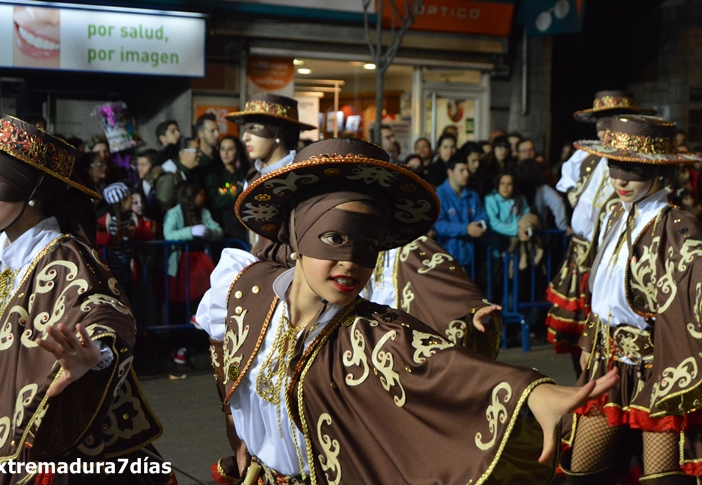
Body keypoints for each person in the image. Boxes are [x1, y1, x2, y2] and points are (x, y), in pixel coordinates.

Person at [197, 138, 618, 484]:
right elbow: (228, 366)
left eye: (367, 247)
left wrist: (533, 391)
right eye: (334, 238)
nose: (351, 263)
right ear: (298, 232)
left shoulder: (368, 334)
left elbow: (442, 367)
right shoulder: (244, 289)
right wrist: (246, 449)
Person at [0, 115, 171, 482]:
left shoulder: (64, 256)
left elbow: (103, 310)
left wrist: (94, 356)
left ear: (31, 189)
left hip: (53, 434)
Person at [560, 115, 702, 484]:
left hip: (659, 370)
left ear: (658, 172)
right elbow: (603, 293)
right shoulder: (613, 215)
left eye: (633, 170)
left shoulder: (678, 226)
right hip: (609, 367)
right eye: (613, 166)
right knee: (580, 471)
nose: (620, 179)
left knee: (662, 478)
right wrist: (590, 341)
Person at [546, 91, 655, 369]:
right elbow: (567, 184)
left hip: (613, 254)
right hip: (581, 254)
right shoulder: (586, 155)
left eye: (610, 120)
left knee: (610, 324)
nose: (603, 126)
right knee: (576, 327)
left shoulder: (637, 162)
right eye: (598, 121)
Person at [225, 93, 316, 187]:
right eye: (246, 129)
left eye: (255, 128)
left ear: (279, 133)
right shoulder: (252, 178)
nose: (245, 138)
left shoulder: (302, 176)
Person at [162, 181, 224, 306]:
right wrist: (190, 232)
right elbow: (168, 234)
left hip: (201, 259)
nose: (203, 197)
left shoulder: (203, 212)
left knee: (203, 291)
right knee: (181, 296)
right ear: (192, 196)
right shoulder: (174, 213)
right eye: (200, 194)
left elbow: (219, 231)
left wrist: (209, 232)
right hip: (182, 261)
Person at [434, 151, 487, 272]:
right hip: (446, 257)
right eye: (461, 170)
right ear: (450, 172)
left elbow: (483, 217)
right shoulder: (439, 195)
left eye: (467, 170)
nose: (466, 174)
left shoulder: (473, 195)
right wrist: (466, 229)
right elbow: (439, 225)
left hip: (469, 257)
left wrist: (480, 226)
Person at [210, 134, 250, 242]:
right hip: (220, 231)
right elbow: (215, 203)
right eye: (222, 149)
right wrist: (238, 191)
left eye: (230, 149)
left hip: (242, 229)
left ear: (238, 151)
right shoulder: (213, 175)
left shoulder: (246, 173)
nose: (225, 153)